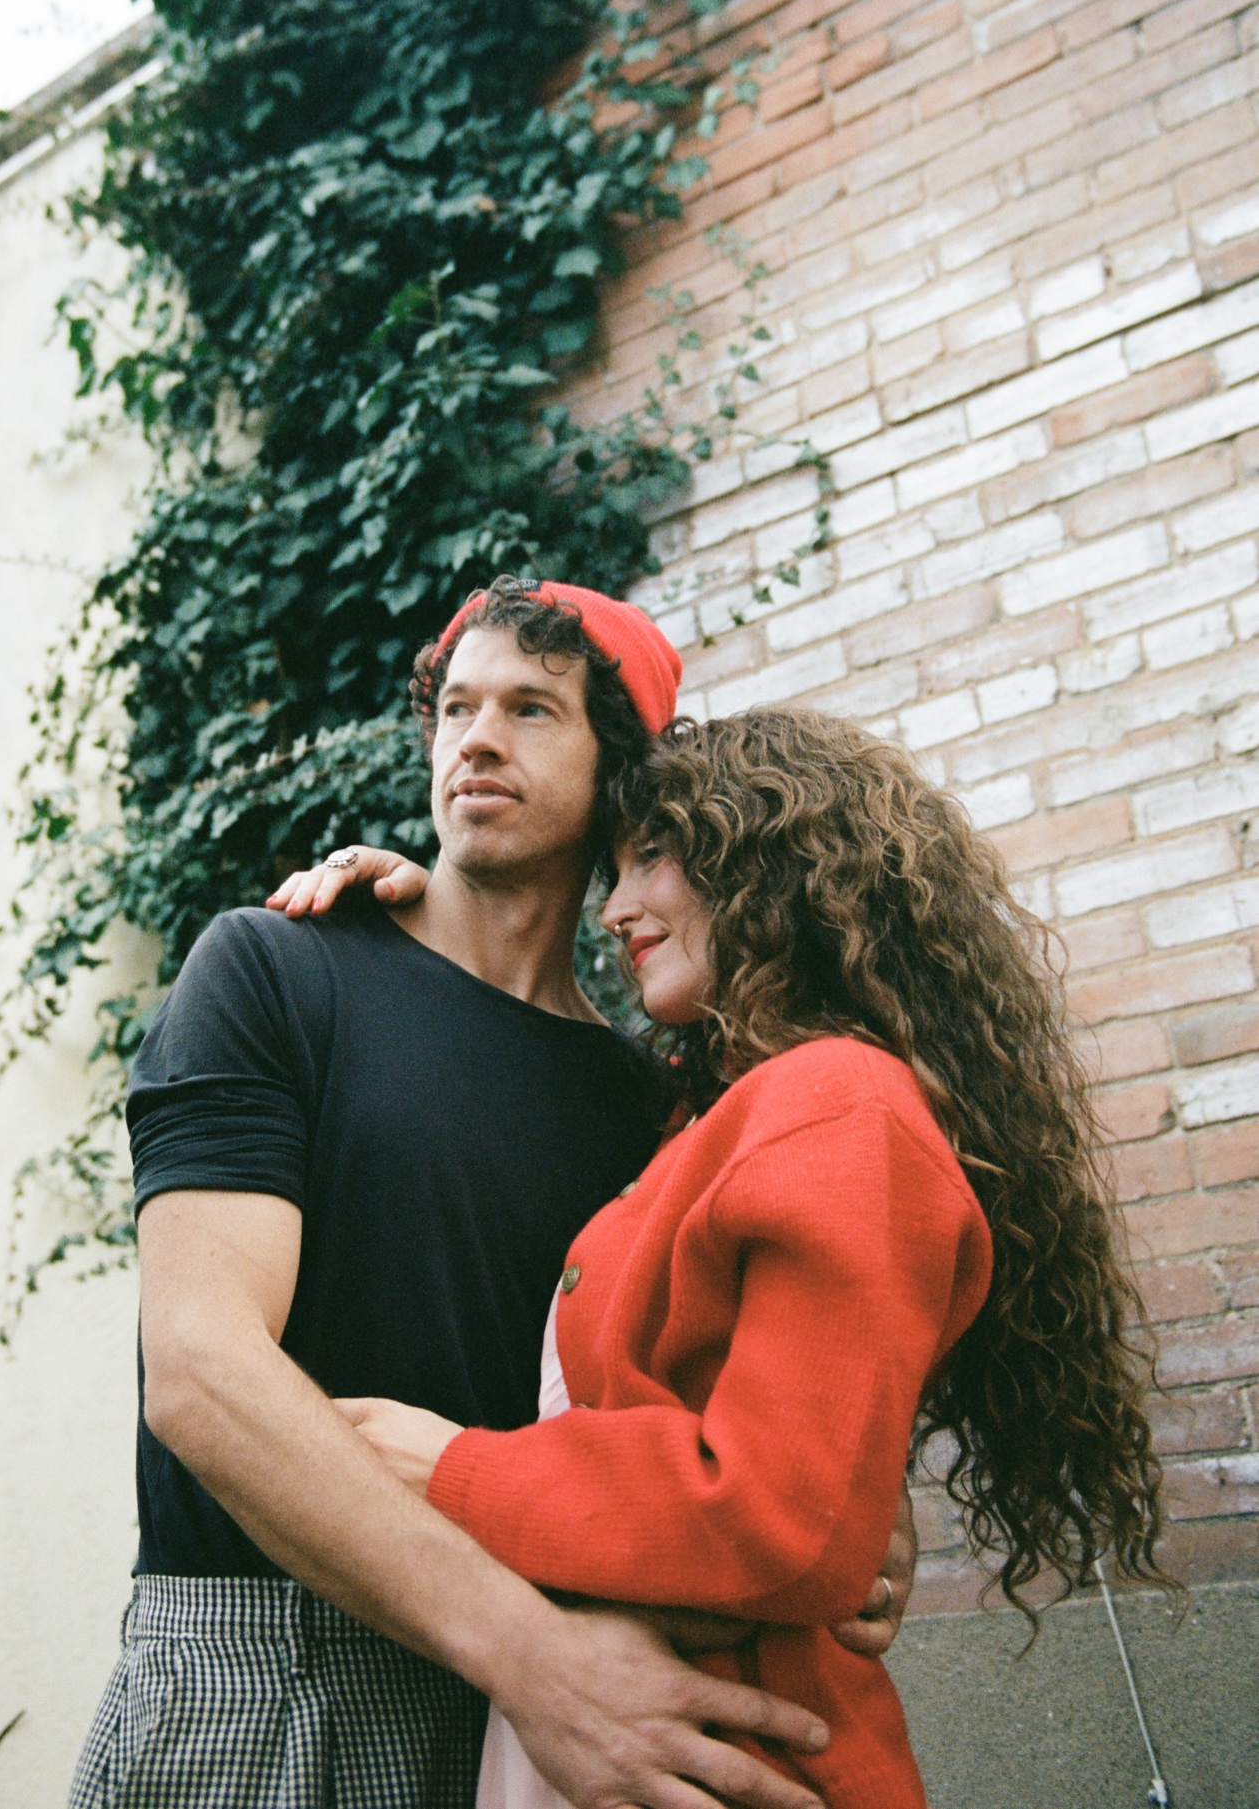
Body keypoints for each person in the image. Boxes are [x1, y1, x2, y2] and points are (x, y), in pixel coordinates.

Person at [69, 579, 915, 1809]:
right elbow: (200, 1372)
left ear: (619, 769)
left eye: (530, 708)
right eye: (457, 706)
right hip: (280, 1668)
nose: (476, 737)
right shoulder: (277, 968)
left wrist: (847, 1517)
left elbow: (731, 1415)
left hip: (566, 1704)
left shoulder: (655, 1108)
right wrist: (534, 1659)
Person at [312, 705, 1173, 1809]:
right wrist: (426, 919)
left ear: (769, 864)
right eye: (610, 870)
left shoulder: (836, 1102)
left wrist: (452, 1469)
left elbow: (785, 1519)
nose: (616, 907)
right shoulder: (716, 1113)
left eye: (654, 856)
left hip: (750, 1760)